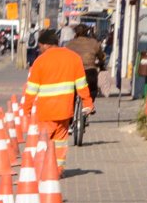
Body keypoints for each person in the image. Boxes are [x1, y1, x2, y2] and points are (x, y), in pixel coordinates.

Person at [23, 28, 93, 165]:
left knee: (43, 142)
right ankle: (58, 170)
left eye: (40, 46)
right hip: (65, 111)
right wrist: (88, 103)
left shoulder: (40, 62)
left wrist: (26, 110)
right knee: (60, 142)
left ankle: (41, 169)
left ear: (46, 45)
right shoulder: (74, 58)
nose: (39, 49)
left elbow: (31, 90)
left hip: (46, 112)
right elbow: (82, 85)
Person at [65, 23, 108, 98]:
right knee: (92, 91)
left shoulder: (69, 44)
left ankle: (72, 105)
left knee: (71, 94)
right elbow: (101, 56)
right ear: (87, 32)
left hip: (73, 73)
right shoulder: (93, 43)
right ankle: (90, 106)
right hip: (89, 72)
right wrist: (101, 64)